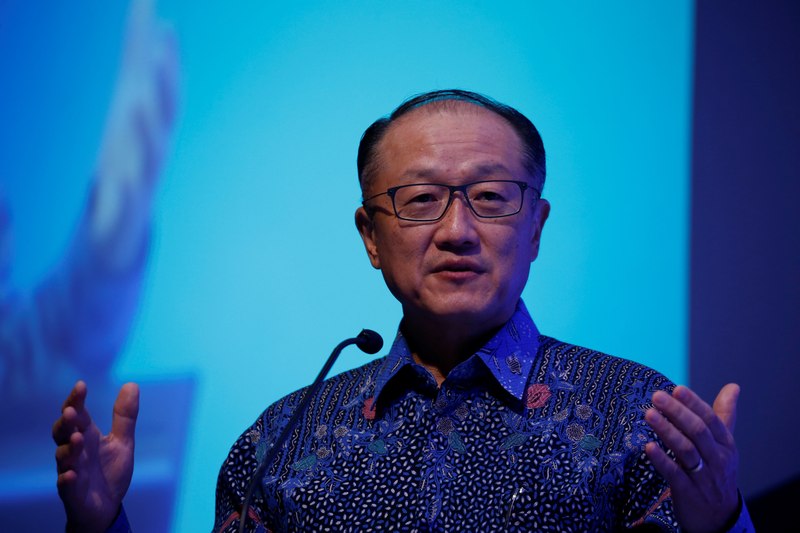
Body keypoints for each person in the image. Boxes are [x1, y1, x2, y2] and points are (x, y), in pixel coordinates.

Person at [53, 89, 754, 532]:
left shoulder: (640, 417)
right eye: (420, 200)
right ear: (370, 237)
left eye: (491, 196)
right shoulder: (281, 440)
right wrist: (99, 523)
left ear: (536, 227)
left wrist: (721, 524)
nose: (457, 230)